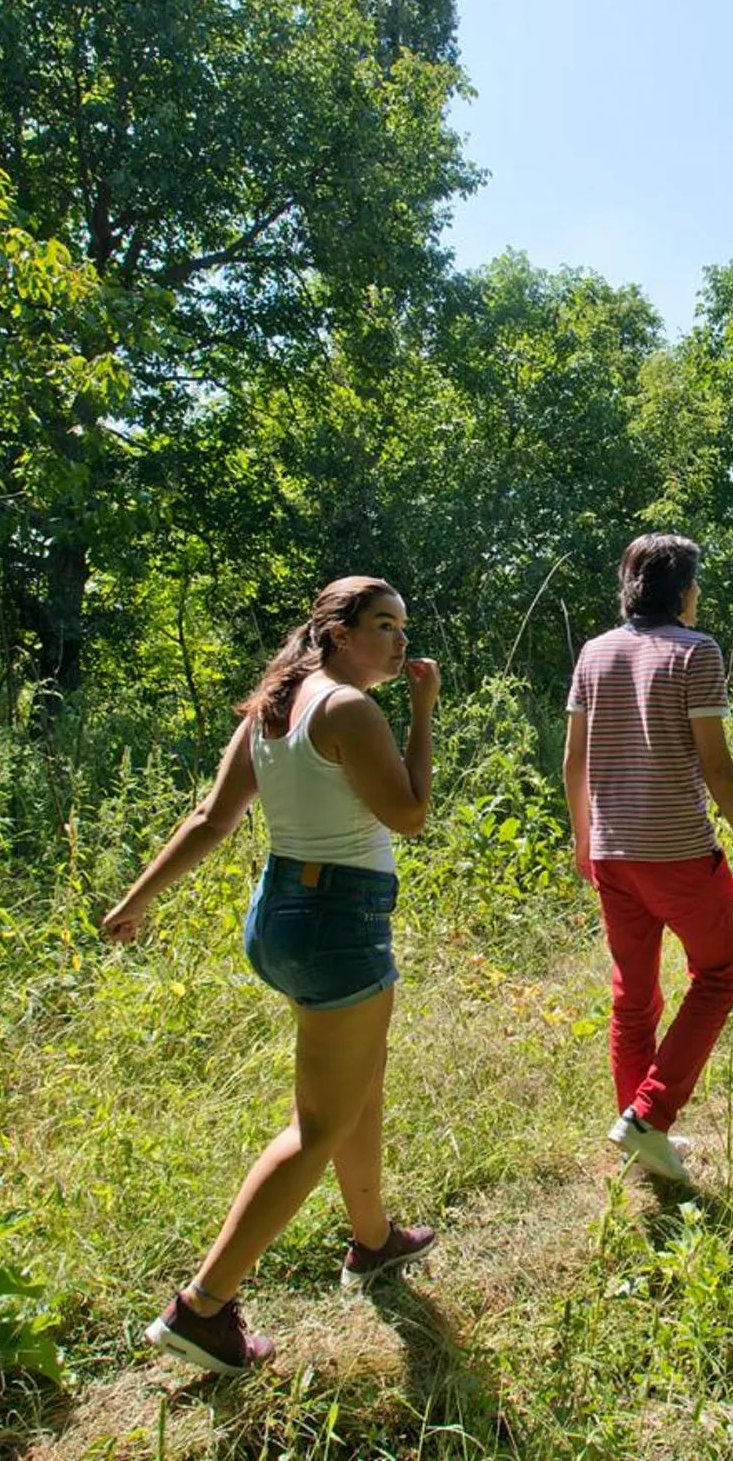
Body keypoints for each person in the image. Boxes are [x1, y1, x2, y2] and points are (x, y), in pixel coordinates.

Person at [101, 577, 441, 1376]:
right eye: (383, 626)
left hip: (281, 912)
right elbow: (410, 813)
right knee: (316, 1124)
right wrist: (424, 716)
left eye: (402, 626)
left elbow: (211, 819)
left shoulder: (275, 707)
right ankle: (202, 1307)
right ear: (338, 633)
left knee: (357, 1082)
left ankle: (373, 1237)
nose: (398, 642)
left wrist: (136, 900)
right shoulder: (349, 709)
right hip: (339, 922)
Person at [563, 534, 733, 1189]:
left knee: (633, 999)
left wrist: (582, 837)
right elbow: (714, 762)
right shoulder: (696, 651)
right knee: (719, 974)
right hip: (677, 850)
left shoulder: (594, 652)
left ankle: (639, 1132)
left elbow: (575, 761)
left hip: (613, 852)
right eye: (697, 582)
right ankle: (648, 1117)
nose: (699, 594)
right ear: (682, 589)